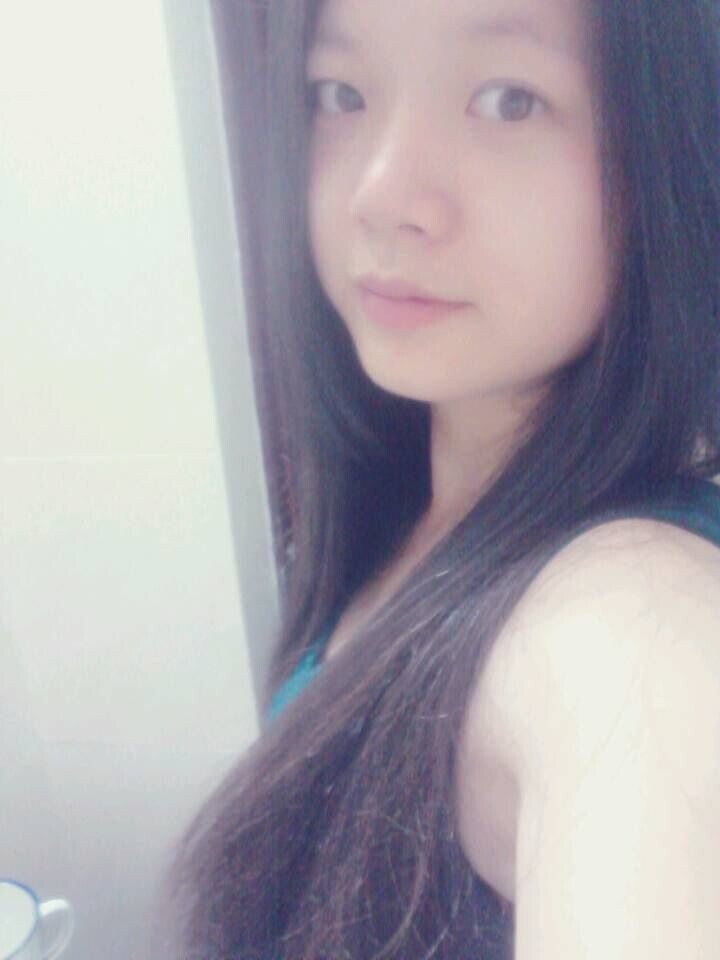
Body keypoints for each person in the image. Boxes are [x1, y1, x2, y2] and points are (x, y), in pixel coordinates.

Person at [166, 0, 720, 957]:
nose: (381, 194)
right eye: (340, 93)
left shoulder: (634, 618)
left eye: (509, 101)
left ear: (666, 145)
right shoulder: (394, 507)